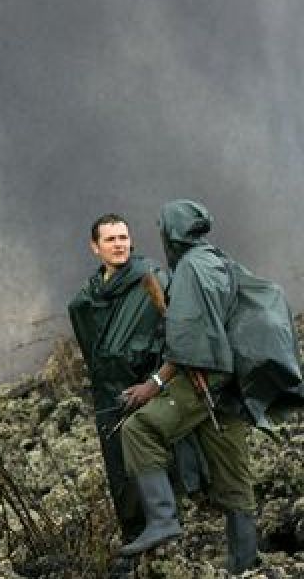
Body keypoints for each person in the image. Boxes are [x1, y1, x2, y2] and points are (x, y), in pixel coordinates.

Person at [118, 200, 304, 572]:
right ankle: (245, 565)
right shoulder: (218, 260)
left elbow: (191, 340)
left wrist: (153, 384)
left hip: (205, 377)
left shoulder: (190, 269)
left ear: (171, 232)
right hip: (230, 385)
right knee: (234, 475)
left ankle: (162, 520)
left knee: (139, 429)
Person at [67, 213, 205, 544]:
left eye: (123, 238)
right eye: (111, 239)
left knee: (157, 463)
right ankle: (135, 544)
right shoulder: (84, 302)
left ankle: (169, 540)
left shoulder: (151, 280)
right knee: (120, 475)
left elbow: (179, 334)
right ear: (94, 247)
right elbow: (92, 354)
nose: (119, 245)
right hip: (108, 397)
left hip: (150, 389)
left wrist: (156, 382)